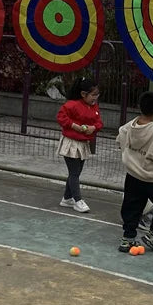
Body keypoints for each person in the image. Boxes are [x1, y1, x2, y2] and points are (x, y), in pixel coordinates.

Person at [116, 90, 153, 252]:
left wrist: (128, 151)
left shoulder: (129, 126)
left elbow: (120, 136)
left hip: (132, 175)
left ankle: (127, 239)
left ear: (139, 107)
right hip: (151, 178)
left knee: (131, 206)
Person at [55, 75, 103, 213]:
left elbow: (98, 122)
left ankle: (67, 197)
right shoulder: (71, 105)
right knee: (74, 173)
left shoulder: (94, 107)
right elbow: (61, 117)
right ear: (83, 94)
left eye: (97, 95)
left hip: (83, 143)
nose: (95, 98)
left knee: (75, 172)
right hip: (71, 143)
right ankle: (78, 200)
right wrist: (74, 126)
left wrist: (94, 128)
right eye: (93, 95)